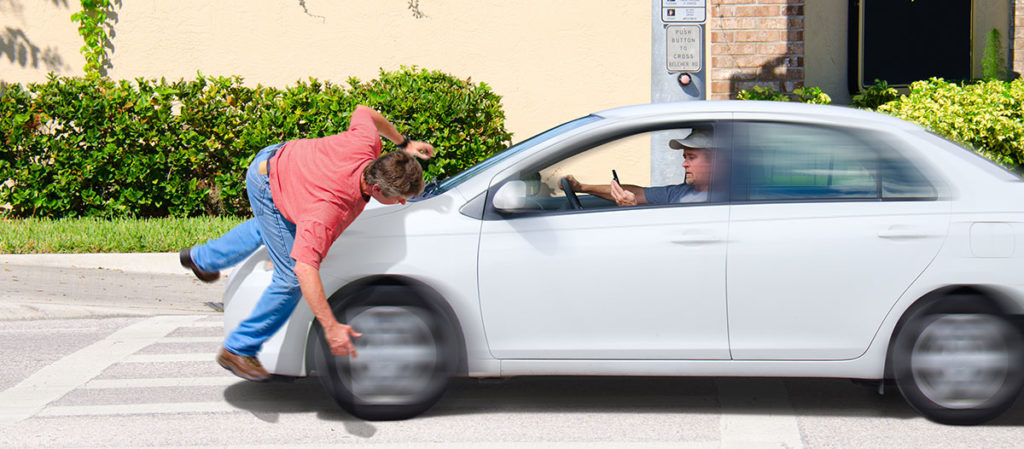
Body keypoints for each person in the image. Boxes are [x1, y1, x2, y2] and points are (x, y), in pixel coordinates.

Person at [179, 105, 434, 382]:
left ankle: (201, 258)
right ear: (375, 188)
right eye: (398, 197)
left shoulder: (366, 144)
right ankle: (239, 348)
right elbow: (304, 269)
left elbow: (364, 111)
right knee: (288, 277)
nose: (402, 203)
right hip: (268, 181)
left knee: (270, 227)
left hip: (283, 161)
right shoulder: (327, 210)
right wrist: (331, 326)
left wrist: (404, 143)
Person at [564, 128, 713, 206]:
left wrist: (634, 209)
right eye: (684, 157)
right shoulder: (680, 192)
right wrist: (582, 187)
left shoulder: (724, 199)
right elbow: (638, 193)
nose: (684, 164)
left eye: (691, 158)